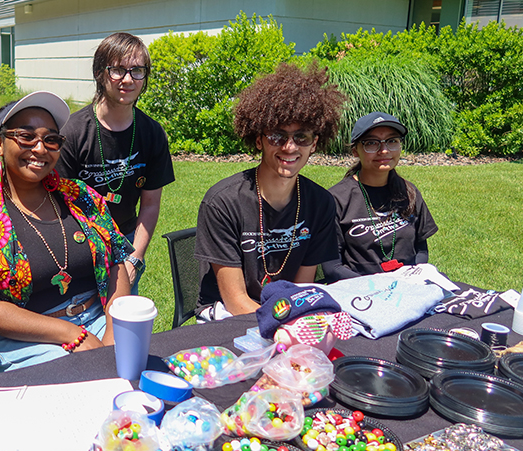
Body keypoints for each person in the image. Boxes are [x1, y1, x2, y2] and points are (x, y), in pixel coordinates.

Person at [0, 91, 131, 375]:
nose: (40, 148)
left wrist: (115, 333)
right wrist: (70, 334)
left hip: (100, 320)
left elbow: (117, 261)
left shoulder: (82, 197)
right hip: (22, 342)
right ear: (0, 143)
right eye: (26, 136)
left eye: (51, 139)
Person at [194, 62, 345, 322]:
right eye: (277, 136)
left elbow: (300, 290)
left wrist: (295, 325)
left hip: (286, 315)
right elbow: (236, 300)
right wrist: (286, 327)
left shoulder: (320, 203)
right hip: (226, 317)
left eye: (302, 137)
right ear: (258, 139)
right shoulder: (223, 202)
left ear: (315, 143)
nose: (289, 147)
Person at [57, 32, 174, 294]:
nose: (128, 79)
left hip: (127, 240)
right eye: (118, 70)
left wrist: (135, 257)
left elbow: (151, 203)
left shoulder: (152, 133)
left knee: (122, 326)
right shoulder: (73, 132)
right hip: (79, 244)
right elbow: (57, 206)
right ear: (100, 73)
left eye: (137, 71)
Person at [322, 112, 438, 280]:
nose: (384, 150)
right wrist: (375, 287)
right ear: (355, 151)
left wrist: (410, 280)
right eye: (371, 143)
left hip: (408, 287)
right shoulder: (336, 199)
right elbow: (332, 266)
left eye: (392, 141)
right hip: (359, 294)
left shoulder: (409, 192)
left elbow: (420, 249)